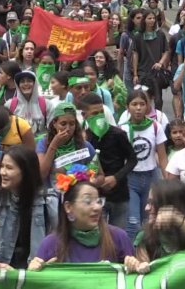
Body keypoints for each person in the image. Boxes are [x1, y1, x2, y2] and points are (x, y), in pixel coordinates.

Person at [0, 145, 58, 269]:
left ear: (26, 171)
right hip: (3, 269)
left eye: (9, 168)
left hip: (37, 272)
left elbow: (62, 236)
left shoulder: (48, 200)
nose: (3, 172)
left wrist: (50, 261)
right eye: (2, 166)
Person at [29, 179, 133, 268]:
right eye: (88, 201)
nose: (97, 207)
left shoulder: (119, 237)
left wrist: (134, 265)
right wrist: (34, 272)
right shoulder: (50, 244)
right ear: (68, 207)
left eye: (98, 201)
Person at [79, 92, 137, 229]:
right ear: (84, 115)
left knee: (119, 236)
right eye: (94, 113)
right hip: (95, 197)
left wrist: (116, 178)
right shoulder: (83, 139)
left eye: (101, 112)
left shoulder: (118, 134)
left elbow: (132, 159)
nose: (99, 116)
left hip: (119, 195)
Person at [129, 179, 185, 268]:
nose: (147, 208)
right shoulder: (145, 234)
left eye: (153, 203)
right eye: (148, 203)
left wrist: (176, 218)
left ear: (168, 204)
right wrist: (135, 264)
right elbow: (143, 269)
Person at [120, 89, 167, 239]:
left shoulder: (155, 127)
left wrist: (167, 181)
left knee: (149, 222)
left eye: (142, 104)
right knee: (133, 223)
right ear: (127, 107)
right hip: (130, 180)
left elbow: (163, 157)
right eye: (134, 104)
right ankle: (131, 257)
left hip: (151, 178)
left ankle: (148, 255)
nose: (138, 108)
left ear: (148, 106)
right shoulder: (122, 129)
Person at [37, 102, 98, 186]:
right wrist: (53, 145)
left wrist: (90, 182)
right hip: (52, 195)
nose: (68, 128)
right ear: (55, 123)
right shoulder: (44, 143)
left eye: (72, 124)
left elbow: (100, 175)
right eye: (63, 124)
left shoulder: (84, 145)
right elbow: (41, 174)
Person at [132, 10, 169, 111]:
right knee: (144, 97)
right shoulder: (138, 36)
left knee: (158, 100)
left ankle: (158, 119)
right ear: (144, 20)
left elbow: (166, 51)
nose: (152, 20)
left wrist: (160, 63)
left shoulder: (160, 35)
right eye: (149, 18)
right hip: (143, 71)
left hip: (156, 72)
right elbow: (135, 55)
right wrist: (135, 74)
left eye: (153, 18)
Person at [6, 71, 50, 136]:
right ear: (18, 85)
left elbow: (51, 128)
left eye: (29, 81)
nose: (26, 84)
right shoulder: (9, 105)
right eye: (22, 81)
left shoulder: (46, 104)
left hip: (39, 144)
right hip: (18, 145)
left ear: (35, 84)